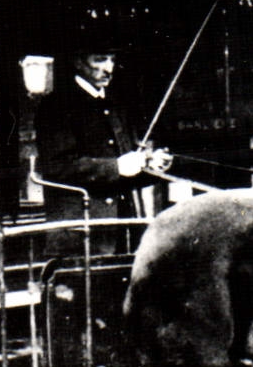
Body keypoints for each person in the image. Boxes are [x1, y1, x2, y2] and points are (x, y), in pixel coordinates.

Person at [34, 47, 171, 255]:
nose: (109, 68)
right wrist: (117, 166)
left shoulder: (115, 106)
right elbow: (57, 167)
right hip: (80, 234)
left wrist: (150, 167)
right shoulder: (56, 106)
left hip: (122, 231)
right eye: (100, 59)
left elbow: (124, 173)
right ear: (78, 62)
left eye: (112, 60)